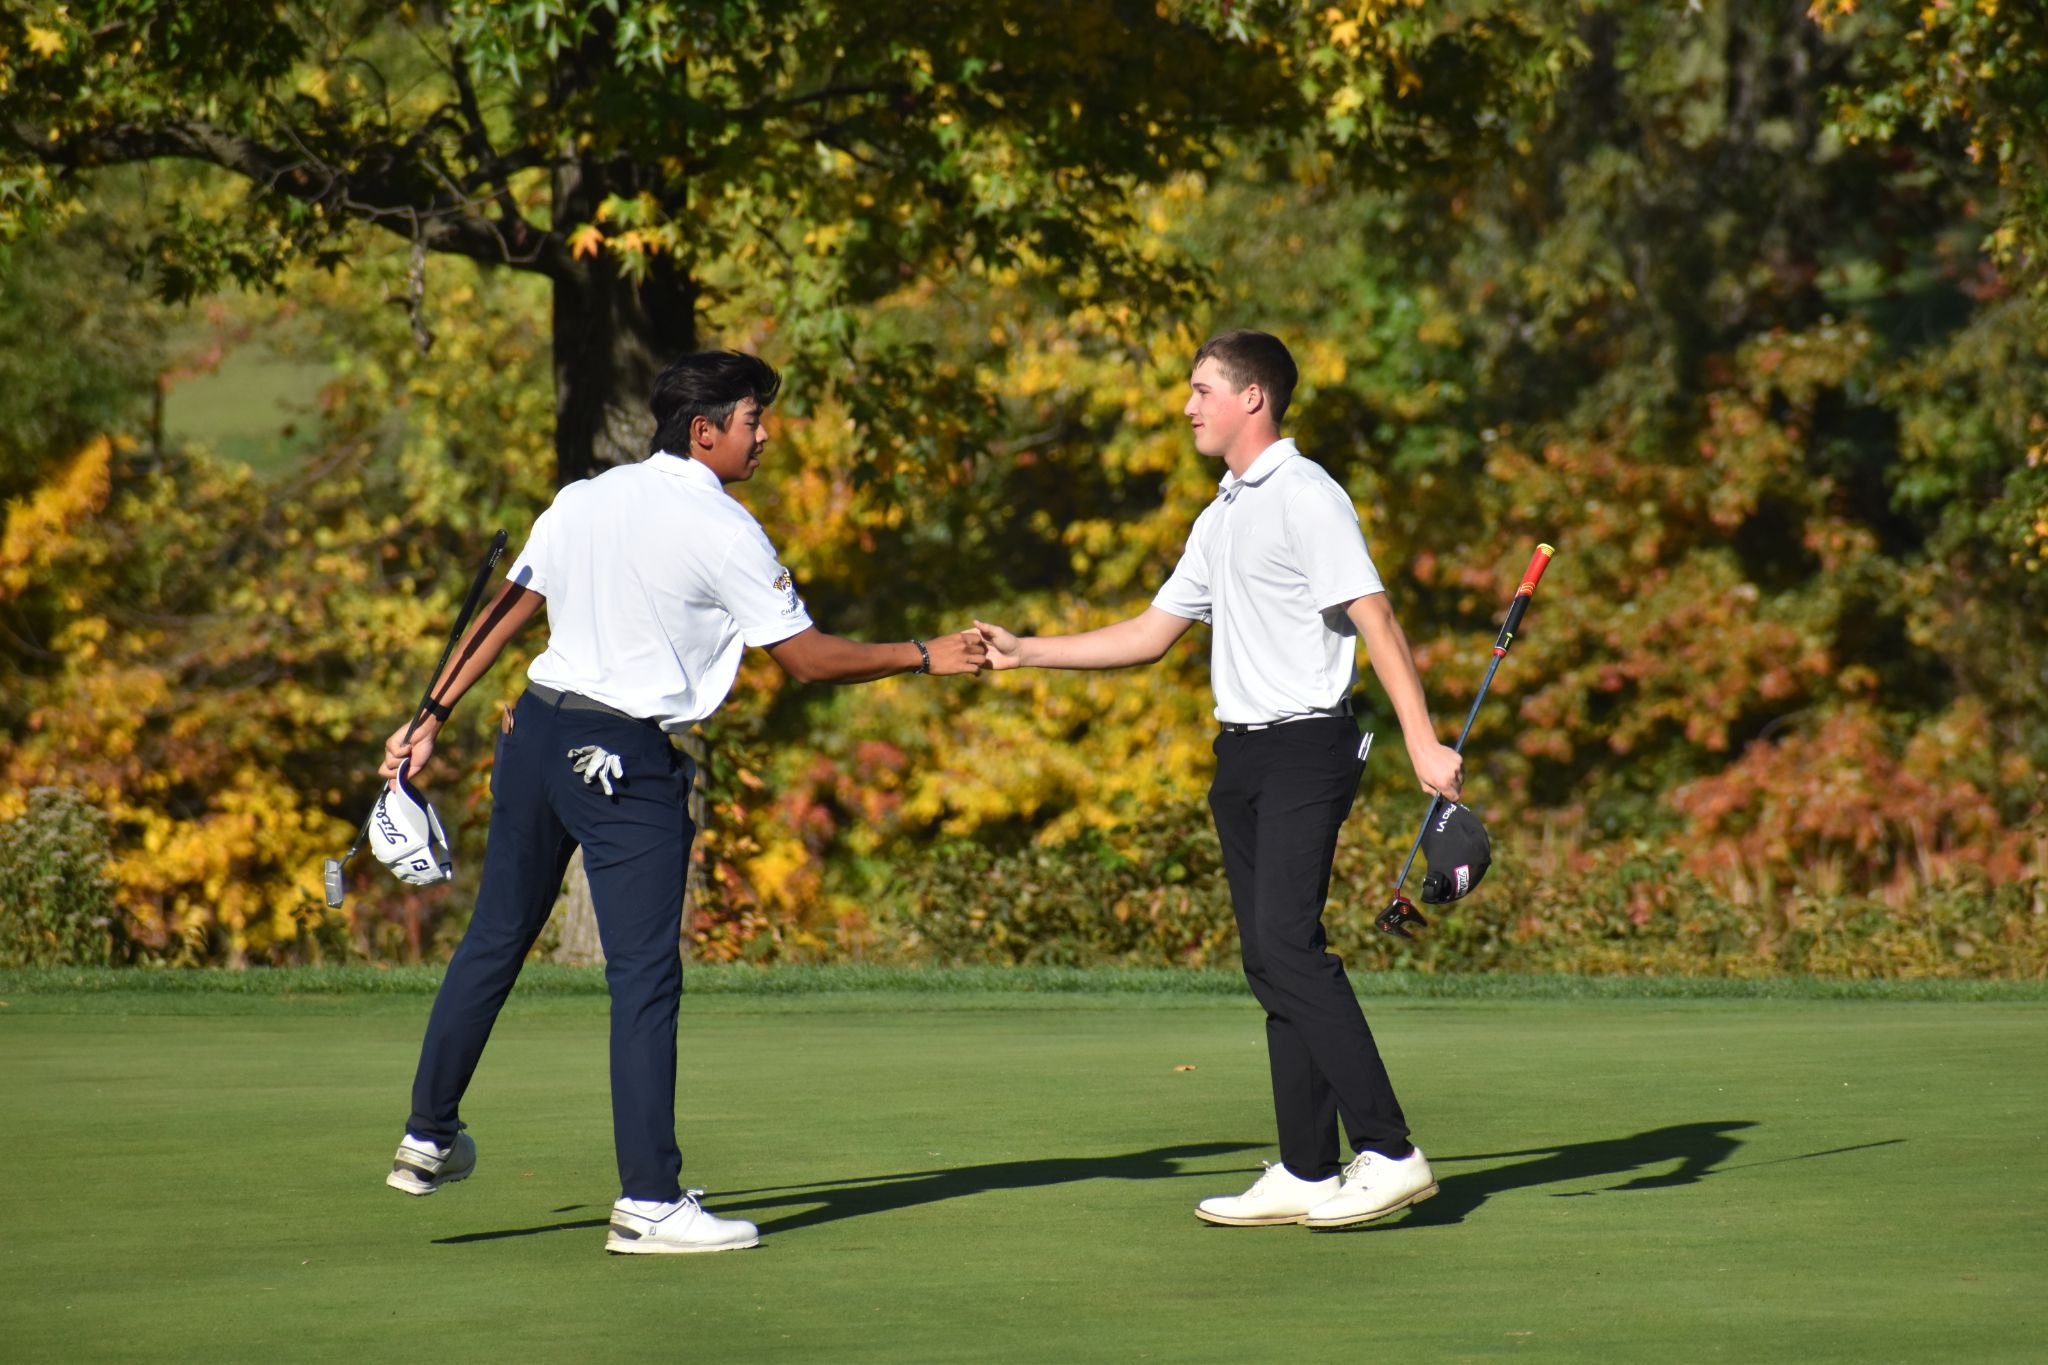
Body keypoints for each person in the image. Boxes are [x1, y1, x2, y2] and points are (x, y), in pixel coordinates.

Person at [374, 350, 986, 1255]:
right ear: (706, 432)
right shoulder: (728, 529)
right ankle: (649, 1200)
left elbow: (507, 612)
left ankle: (427, 1135)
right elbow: (807, 661)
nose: (765, 435)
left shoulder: (582, 498)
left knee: (495, 938)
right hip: (623, 761)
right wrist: (925, 654)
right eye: (752, 420)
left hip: (535, 736)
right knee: (645, 978)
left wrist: (428, 716)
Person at [974, 329, 1462, 1230]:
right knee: (1268, 957)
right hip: (1240, 754)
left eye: (1203, 389)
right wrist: (1028, 651)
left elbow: (1377, 617)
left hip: (1308, 746)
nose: (1189, 404)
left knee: (1287, 947)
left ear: (1254, 399)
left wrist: (1423, 742)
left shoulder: (1307, 496)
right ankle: (1311, 1168)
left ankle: (1391, 1151)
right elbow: (1151, 634)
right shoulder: (1224, 510)